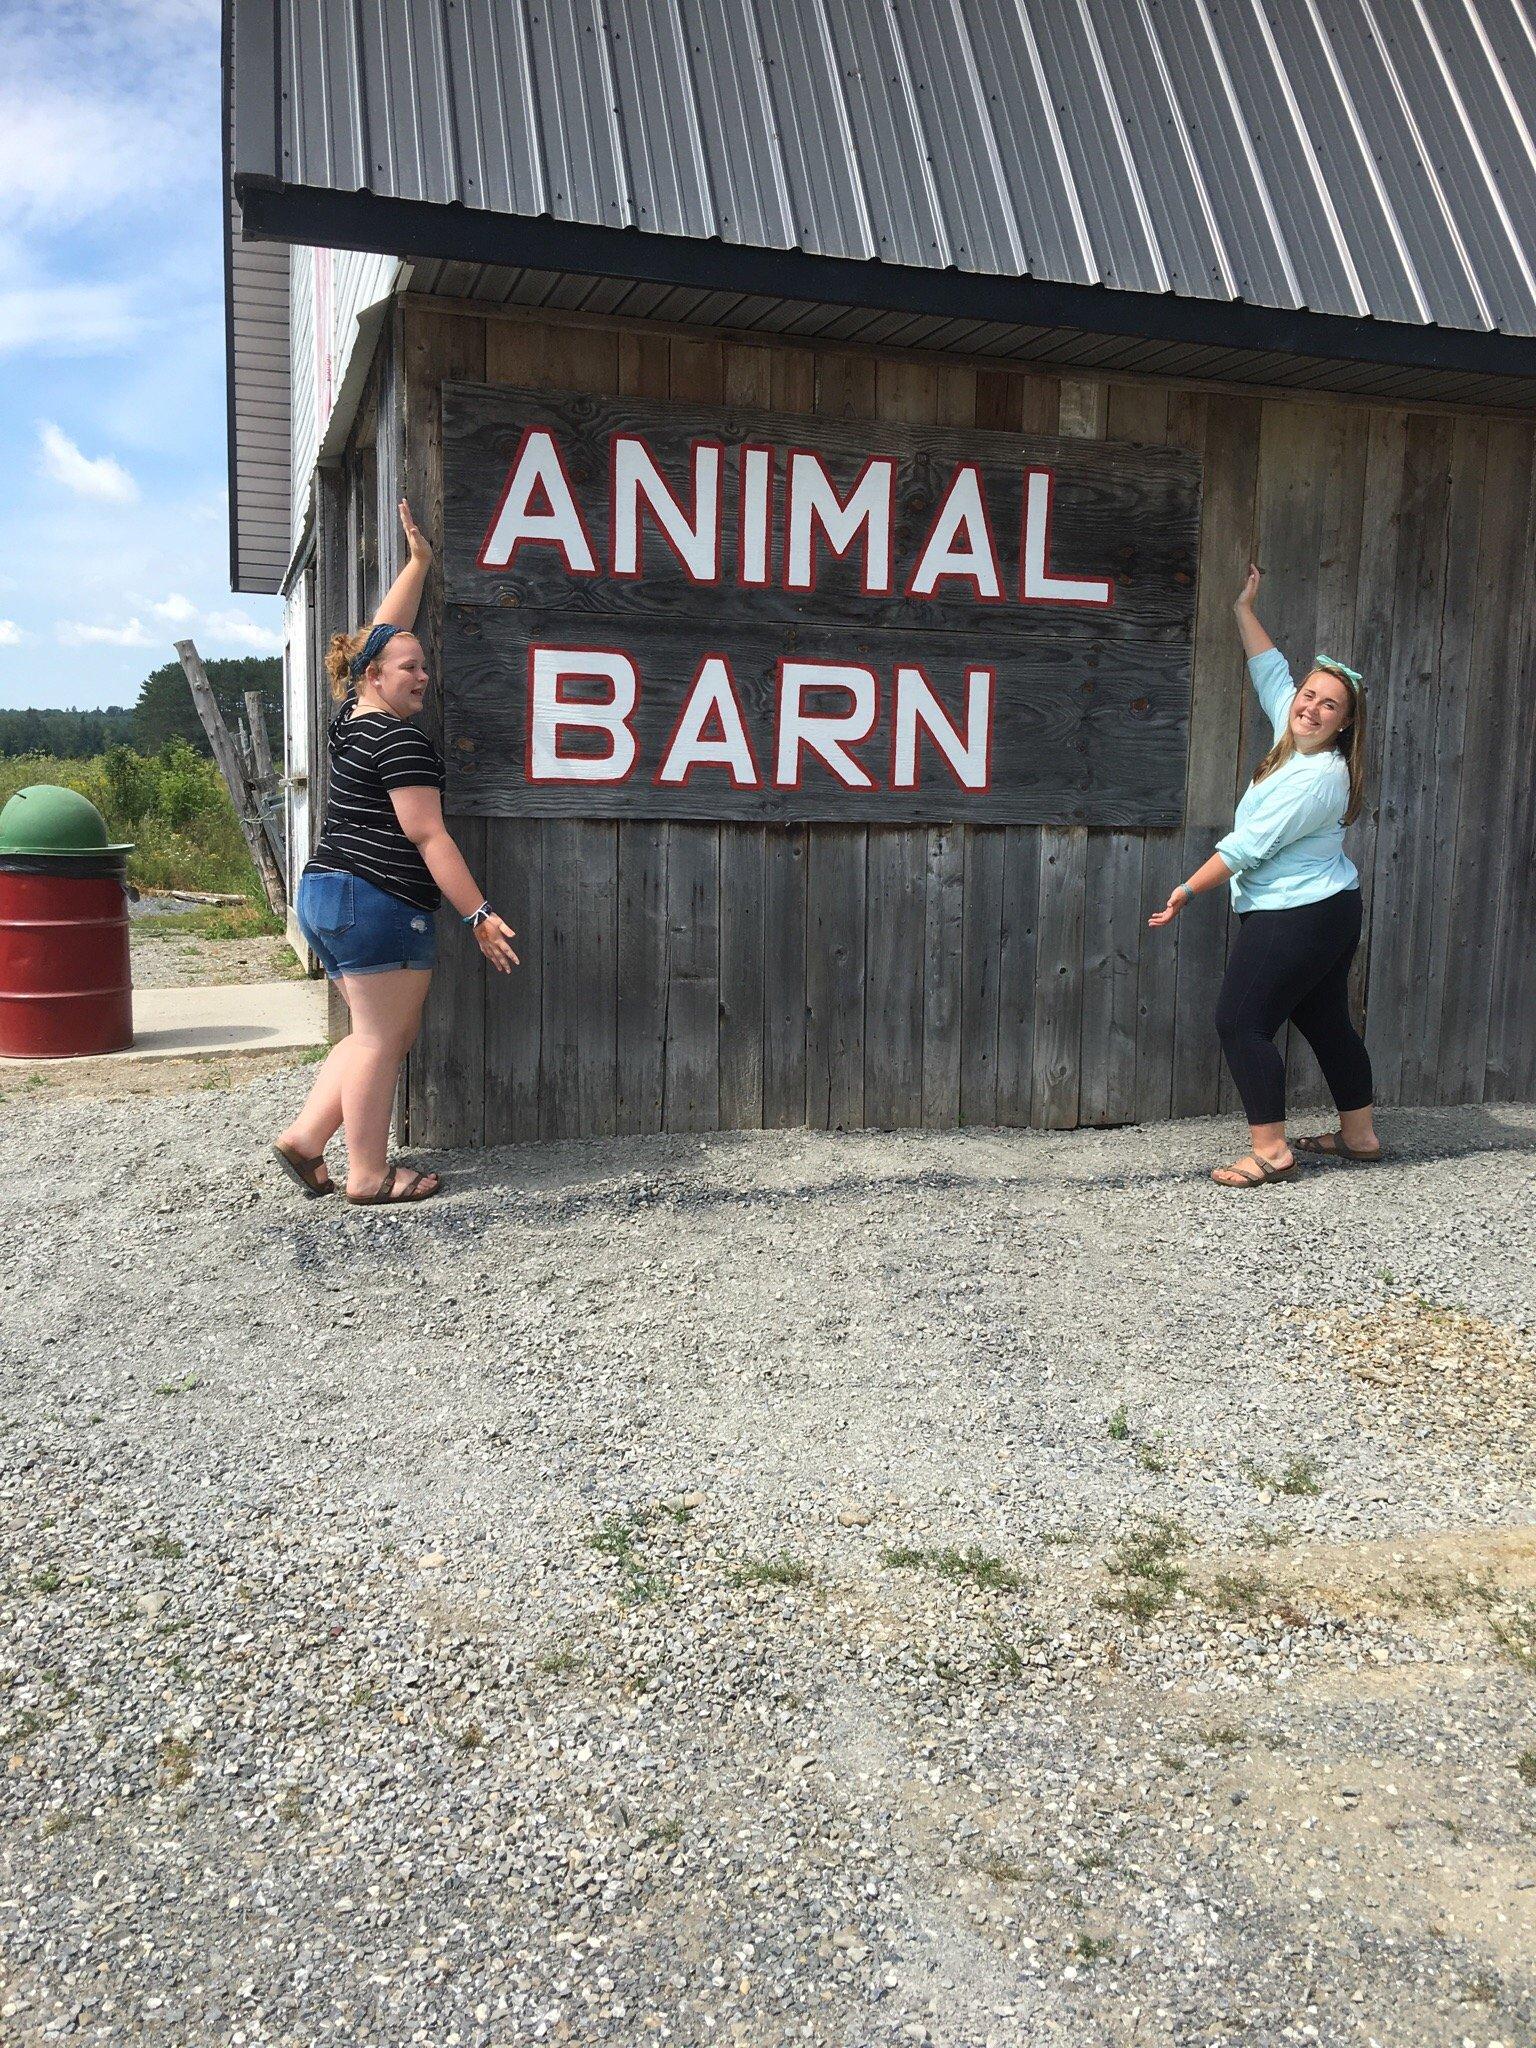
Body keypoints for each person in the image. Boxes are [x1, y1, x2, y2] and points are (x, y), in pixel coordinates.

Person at [271, 499, 519, 1205]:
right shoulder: (401, 741)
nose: (422, 676)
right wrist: (479, 915)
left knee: (378, 1031)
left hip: (325, 895)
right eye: (409, 667)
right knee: (383, 1041)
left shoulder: (351, 722)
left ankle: (304, 1139)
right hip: (375, 898)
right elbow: (428, 835)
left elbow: (381, 630)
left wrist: (418, 565)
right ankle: (370, 1175)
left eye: (425, 668)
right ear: (374, 675)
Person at [1148, 563, 1380, 1187]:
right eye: (1310, 695)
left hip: (1298, 914)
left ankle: (1272, 1151)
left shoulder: (1317, 777)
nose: (1311, 706)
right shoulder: (1294, 727)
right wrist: (1243, 606)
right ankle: (1359, 1137)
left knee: (1241, 1020)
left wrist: (1188, 889)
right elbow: (1270, 671)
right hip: (1326, 907)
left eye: (1329, 705)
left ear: (1344, 723)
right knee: (1325, 1019)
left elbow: (1248, 847)